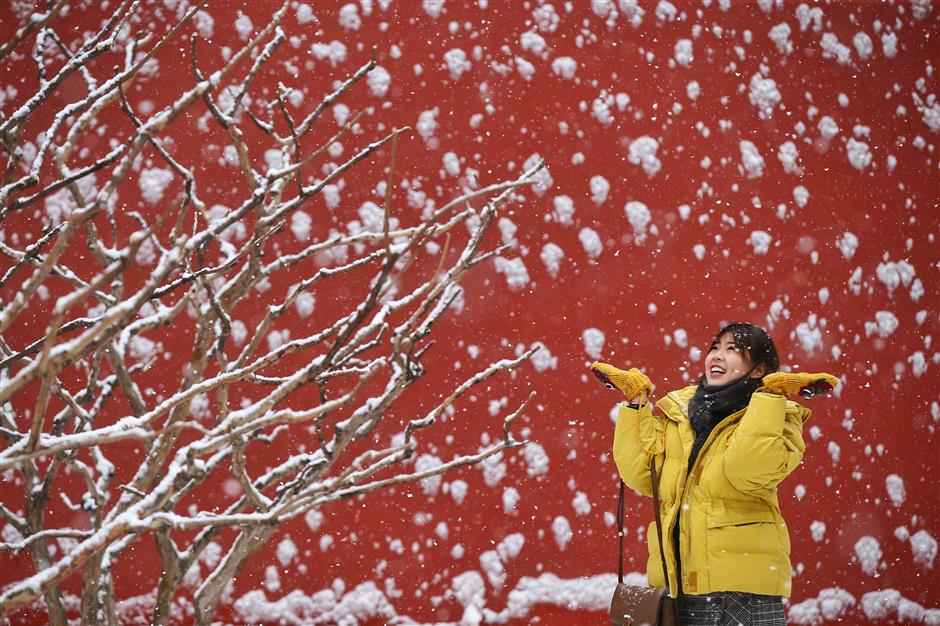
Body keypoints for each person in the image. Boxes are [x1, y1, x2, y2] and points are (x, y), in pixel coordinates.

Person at [590, 322, 839, 626]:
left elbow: (745, 470)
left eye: (732, 350)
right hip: (679, 585)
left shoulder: (779, 417)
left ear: (759, 369)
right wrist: (636, 403)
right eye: (715, 347)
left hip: (739, 590)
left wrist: (771, 398)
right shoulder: (681, 413)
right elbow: (643, 475)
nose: (717, 356)